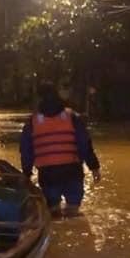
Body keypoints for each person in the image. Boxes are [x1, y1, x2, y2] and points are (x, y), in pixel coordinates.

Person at [20, 82, 101, 217]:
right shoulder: (72, 117)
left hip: (48, 174)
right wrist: (94, 166)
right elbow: (84, 144)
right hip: (72, 170)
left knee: (53, 213)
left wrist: (26, 174)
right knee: (73, 211)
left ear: (39, 98)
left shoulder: (32, 122)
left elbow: (26, 151)